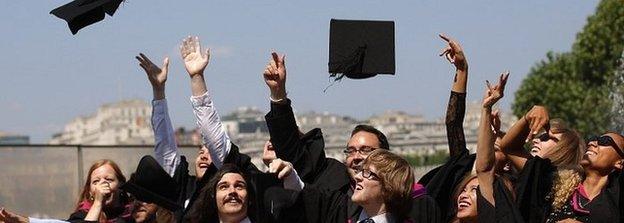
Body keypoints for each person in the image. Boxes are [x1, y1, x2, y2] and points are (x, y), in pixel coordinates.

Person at [262, 50, 440, 222]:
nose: (356, 158)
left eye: (366, 150)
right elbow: (297, 162)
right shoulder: (336, 194)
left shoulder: (416, 204)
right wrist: (278, 96)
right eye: (351, 150)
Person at [67, 159, 133, 223]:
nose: (103, 184)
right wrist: (98, 202)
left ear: (120, 185)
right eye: (96, 181)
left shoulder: (132, 215)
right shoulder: (79, 217)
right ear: (89, 191)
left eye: (109, 179)